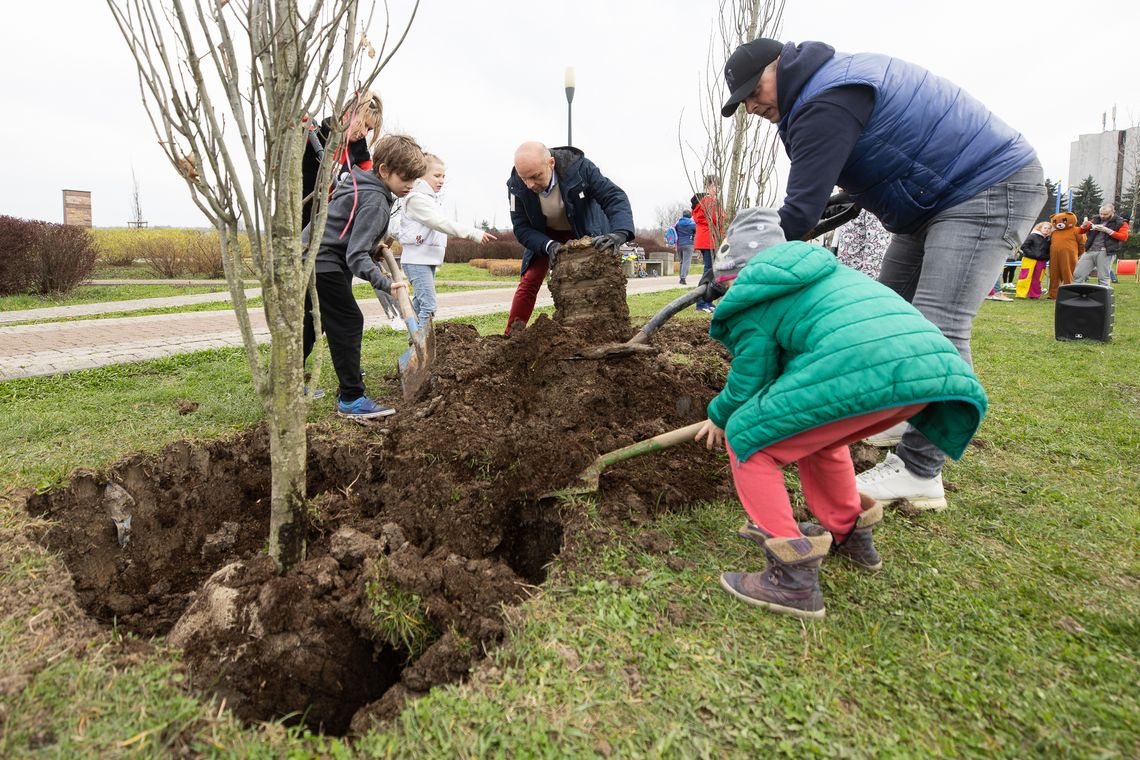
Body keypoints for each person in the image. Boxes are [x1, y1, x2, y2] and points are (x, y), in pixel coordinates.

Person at [720, 37, 1043, 508]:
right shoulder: (829, 85)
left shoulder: (823, 99)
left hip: (984, 187)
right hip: (931, 203)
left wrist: (741, 273)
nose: (751, 105)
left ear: (778, 64)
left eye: (753, 90)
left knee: (937, 324)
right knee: (880, 317)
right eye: (742, 101)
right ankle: (893, 407)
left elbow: (800, 213)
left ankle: (919, 471)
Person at [694, 208, 987, 619]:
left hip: (862, 369)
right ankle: (850, 535)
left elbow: (751, 379)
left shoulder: (754, 294)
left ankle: (791, 578)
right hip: (928, 370)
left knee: (748, 438)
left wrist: (719, 415)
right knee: (821, 437)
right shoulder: (825, 274)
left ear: (734, 273)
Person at [302, 134, 425, 420]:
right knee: (348, 320)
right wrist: (387, 282)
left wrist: (375, 245)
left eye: (414, 179)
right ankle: (352, 398)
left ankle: (287, 382)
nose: (410, 185)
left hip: (312, 254)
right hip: (324, 260)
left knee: (313, 320)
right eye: (405, 178)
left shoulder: (361, 182)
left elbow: (350, 231)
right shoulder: (376, 200)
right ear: (384, 171)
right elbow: (355, 256)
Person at [504, 141, 634, 335]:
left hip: (582, 227)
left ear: (551, 163)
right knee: (530, 280)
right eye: (525, 179)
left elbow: (613, 197)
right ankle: (511, 335)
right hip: (545, 235)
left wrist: (620, 232)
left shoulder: (580, 169)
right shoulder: (516, 186)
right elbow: (521, 228)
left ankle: (610, 330)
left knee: (599, 278)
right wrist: (547, 245)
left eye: (536, 176)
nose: (530, 185)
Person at [395, 153, 497, 327]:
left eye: (443, 176)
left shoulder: (431, 200)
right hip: (417, 261)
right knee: (429, 305)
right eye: (436, 176)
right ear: (420, 174)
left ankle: (415, 347)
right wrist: (473, 233)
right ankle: (421, 348)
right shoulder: (416, 200)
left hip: (425, 260)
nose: (441, 180)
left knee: (420, 304)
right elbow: (440, 223)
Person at [1075, 203, 1130, 287]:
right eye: (1101, 213)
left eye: (1105, 214)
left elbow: (1124, 237)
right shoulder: (1095, 219)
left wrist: (1107, 230)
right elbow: (1080, 231)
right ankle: (1076, 295)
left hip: (1106, 252)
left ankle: (1103, 298)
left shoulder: (1121, 222)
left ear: (1113, 212)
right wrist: (1084, 225)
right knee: (1078, 274)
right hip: (1090, 250)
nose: (1102, 216)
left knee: (1103, 277)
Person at [691, 175, 723, 312]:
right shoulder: (707, 201)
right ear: (708, 186)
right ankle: (701, 302)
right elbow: (717, 219)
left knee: (711, 270)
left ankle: (706, 301)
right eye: (715, 186)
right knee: (709, 271)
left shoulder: (706, 201)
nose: (718, 189)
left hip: (709, 239)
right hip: (708, 239)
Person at [835, 208, 890, 277]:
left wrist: (868, 279)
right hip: (844, 272)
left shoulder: (870, 207)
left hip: (859, 277)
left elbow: (876, 249)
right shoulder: (849, 203)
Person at [1015, 221, 1052, 299]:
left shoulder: (1049, 239)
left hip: (1041, 261)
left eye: (1049, 228)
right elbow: (1024, 247)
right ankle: (1021, 294)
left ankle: (1034, 295)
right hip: (1029, 260)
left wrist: (1046, 257)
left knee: (1037, 279)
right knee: (1025, 277)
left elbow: (1050, 251)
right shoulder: (1033, 236)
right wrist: (1032, 254)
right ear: (1040, 228)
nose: (1047, 230)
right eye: (1045, 228)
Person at [673, 208, 697, 285]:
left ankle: (681, 277)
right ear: (690, 216)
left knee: (682, 262)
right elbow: (696, 231)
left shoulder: (678, 224)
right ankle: (683, 278)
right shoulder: (692, 224)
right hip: (689, 244)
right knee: (686, 262)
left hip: (679, 244)